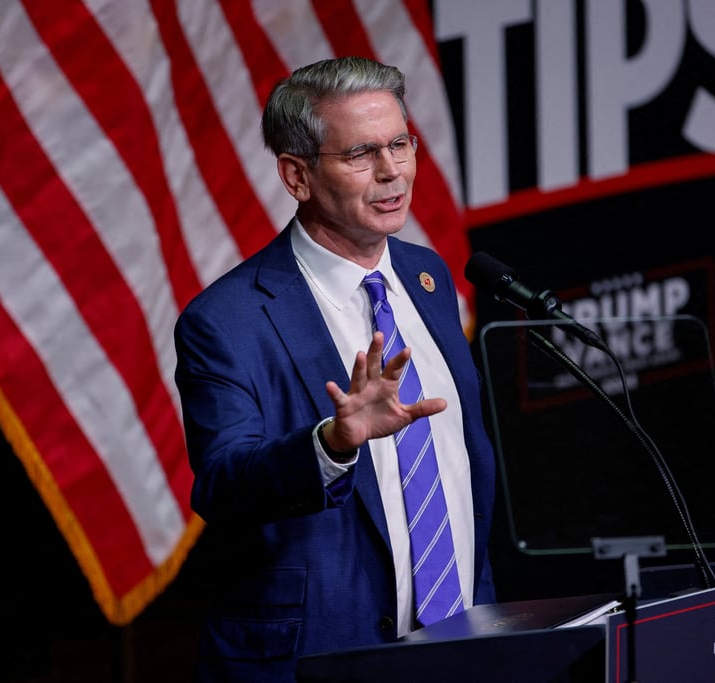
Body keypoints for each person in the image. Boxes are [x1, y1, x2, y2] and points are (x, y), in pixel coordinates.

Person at [173, 55, 498, 682]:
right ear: (297, 177)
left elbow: (461, 475)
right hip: (322, 653)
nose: (392, 172)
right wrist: (330, 443)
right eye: (360, 155)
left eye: (400, 143)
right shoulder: (228, 319)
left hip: (461, 645)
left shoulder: (427, 279)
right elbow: (222, 482)